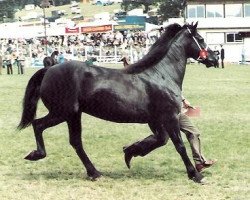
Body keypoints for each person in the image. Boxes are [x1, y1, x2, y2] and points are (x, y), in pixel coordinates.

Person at [179, 96, 216, 172]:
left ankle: (199, 163)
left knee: (194, 133)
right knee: (161, 139)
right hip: (166, 112)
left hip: (176, 111)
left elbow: (173, 87)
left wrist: (183, 99)